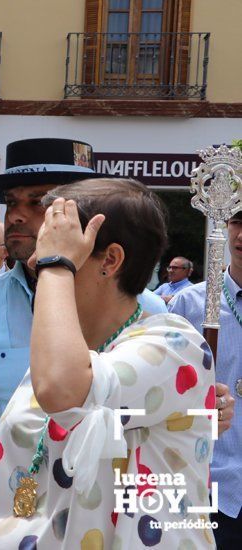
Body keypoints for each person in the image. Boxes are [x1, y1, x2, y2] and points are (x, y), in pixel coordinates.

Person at [0, 138, 234, 549]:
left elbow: (63, 392)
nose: (36, 260)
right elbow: (31, 478)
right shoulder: (59, 355)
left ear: (110, 260)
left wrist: (56, 267)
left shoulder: (173, 343)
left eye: (61, 245)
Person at [169, 210, 242, 548]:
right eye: (238, 223)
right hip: (208, 479)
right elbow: (165, 386)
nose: (241, 236)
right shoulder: (191, 303)